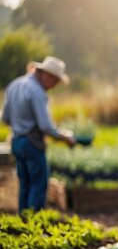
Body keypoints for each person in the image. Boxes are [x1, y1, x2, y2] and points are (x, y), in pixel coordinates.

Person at [1, 56, 76, 213]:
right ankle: (35, 223)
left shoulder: (14, 85)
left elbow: (5, 118)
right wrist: (65, 136)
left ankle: (24, 223)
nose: (54, 86)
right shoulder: (37, 92)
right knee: (38, 184)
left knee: (25, 184)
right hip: (31, 143)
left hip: (16, 141)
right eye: (55, 82)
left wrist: (20, 123)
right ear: (46, 75)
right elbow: (45, 126)